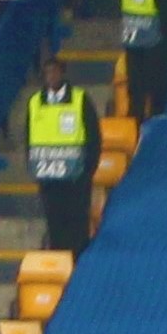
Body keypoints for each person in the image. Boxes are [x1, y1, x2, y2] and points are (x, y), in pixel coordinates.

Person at [24, 56, 95, 252]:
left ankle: (79, 261)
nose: (51, 76)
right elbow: (29, 138)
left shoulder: (80, 99)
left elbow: (93, 137)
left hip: (75, 178)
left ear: (63, 73)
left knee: (77, 226)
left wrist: (87, 171)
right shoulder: (35, 102)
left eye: (55, 71)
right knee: (55, 226)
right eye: (47, 72)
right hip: (49, 177)